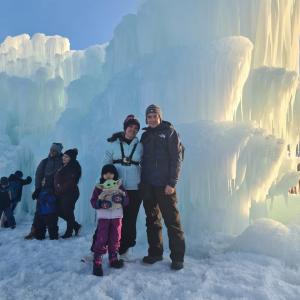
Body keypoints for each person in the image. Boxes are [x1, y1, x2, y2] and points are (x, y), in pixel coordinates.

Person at [140, 104, 185, 270]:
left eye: (154, 116)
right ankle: (155, 253)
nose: (152, 119)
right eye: (149, 117)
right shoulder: (145, 136)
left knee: (172, 222)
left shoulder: (170, 133)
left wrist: (172, 183)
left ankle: (177, 257)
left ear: (160, 117)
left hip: (165, 186)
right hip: (149, 185)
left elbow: (176, 159)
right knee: (152, 221)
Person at [103, 114, 143, 259]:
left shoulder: (140, 146)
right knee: (109, 218)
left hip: (134, 189)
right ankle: (99, 248)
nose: (132, 130)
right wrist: (105, 186)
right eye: (130, 126)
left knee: (130, 220)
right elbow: (106, 165)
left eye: (135, 128)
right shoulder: (113, 145)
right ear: (125, 128)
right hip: (115, 188)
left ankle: (126, 249)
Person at [90, 164, 128, 276]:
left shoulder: (119, 186)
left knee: (115, 237)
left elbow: (126, 200)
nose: (108, 175)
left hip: (116, 216)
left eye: (111, 173)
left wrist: (121, 199)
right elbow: (93, 201)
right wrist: (100, 203)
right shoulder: (99, 187)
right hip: (104, 217)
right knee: (102, 238)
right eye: (106, 173)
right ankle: (97, 261)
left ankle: (113, 257)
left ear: (114, 174)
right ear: (102, 175)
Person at [25, 142, 63, 240]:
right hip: (44, 191)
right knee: (39, 212)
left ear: (58, 152)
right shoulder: (45, 162)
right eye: (51, 150)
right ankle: (37, 232)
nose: (52, 152)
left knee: (53, 213)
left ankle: (53, 234)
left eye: (54, 150)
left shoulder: (62, 161)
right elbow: (38, 175)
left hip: (56, 191)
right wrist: (37, 189)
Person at [54, 148, 82, 238]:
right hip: (62, 193)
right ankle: (76, 226)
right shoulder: (64, 165)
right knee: (58, 210)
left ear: (71, 158)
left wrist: (60, 188)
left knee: (68, 212)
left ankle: (69, 232)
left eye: (66, 157)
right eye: (63, 156)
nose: (64, 158)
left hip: (71, 193)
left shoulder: (74, 166)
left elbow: (71, 182)